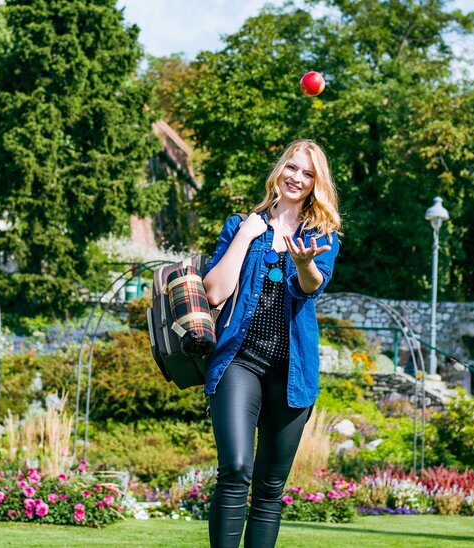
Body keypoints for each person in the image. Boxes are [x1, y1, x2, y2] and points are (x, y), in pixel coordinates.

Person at [202, 139, 341, 548]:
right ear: (280, 170)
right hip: (239, 361)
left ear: (317, 183)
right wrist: (246, 234)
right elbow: (213, 292)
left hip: (292, 372)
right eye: (292, 168)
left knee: (269, 488)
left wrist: (303, 263)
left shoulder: (322, 236)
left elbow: (311, 286)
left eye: (307, 173)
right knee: (236, 469)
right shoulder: (242, 224)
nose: (297, 178)